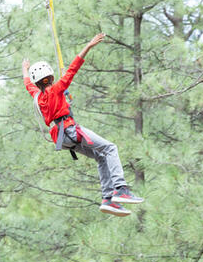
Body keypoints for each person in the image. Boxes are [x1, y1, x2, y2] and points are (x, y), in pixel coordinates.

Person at [22, 32, 144, 216]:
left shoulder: (37, 96)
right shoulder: (57, 88)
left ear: (36, 82)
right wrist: (89, 45)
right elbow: (73, 67)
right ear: (51, 77)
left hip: (62, 139)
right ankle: (121, 189)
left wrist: (25, 69)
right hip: (70, 131)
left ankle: (108, 200)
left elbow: (27, 84)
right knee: (110, 148)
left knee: (101, 157)